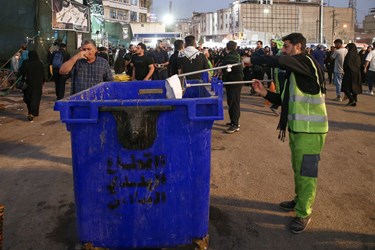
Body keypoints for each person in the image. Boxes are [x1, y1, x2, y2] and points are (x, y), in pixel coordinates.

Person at [249, 33, 328, 234]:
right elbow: (285, 100)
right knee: (298, 169)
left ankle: (304, 212)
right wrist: (264, 93)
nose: (283, 50)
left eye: (286, 47)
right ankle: (299, 200)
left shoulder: (306, 62)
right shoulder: (296, 71)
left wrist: (253, 59)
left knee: (306, 173)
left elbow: (277, 60)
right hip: (299, 129)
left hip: (311, 131)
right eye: (282, 47)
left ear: (298, 47)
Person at [221, 41, 244, 134]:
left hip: (234, 81)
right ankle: (234, 121)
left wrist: (221, 71)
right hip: (234, 81)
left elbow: (226, 68)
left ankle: (235, 124)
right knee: (232, 101)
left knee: (234, 102)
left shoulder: (231, 56)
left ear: (227, 48)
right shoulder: (235, 54)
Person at [18, 50, 45, 121]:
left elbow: (21, 71)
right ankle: (33, 113)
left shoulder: (26, 62)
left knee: (28, 98)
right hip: (38, 84)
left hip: (28, 83)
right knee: (36, 98)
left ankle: (31, 112)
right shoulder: (40, 63)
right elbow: (43, 73)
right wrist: (43, 81)